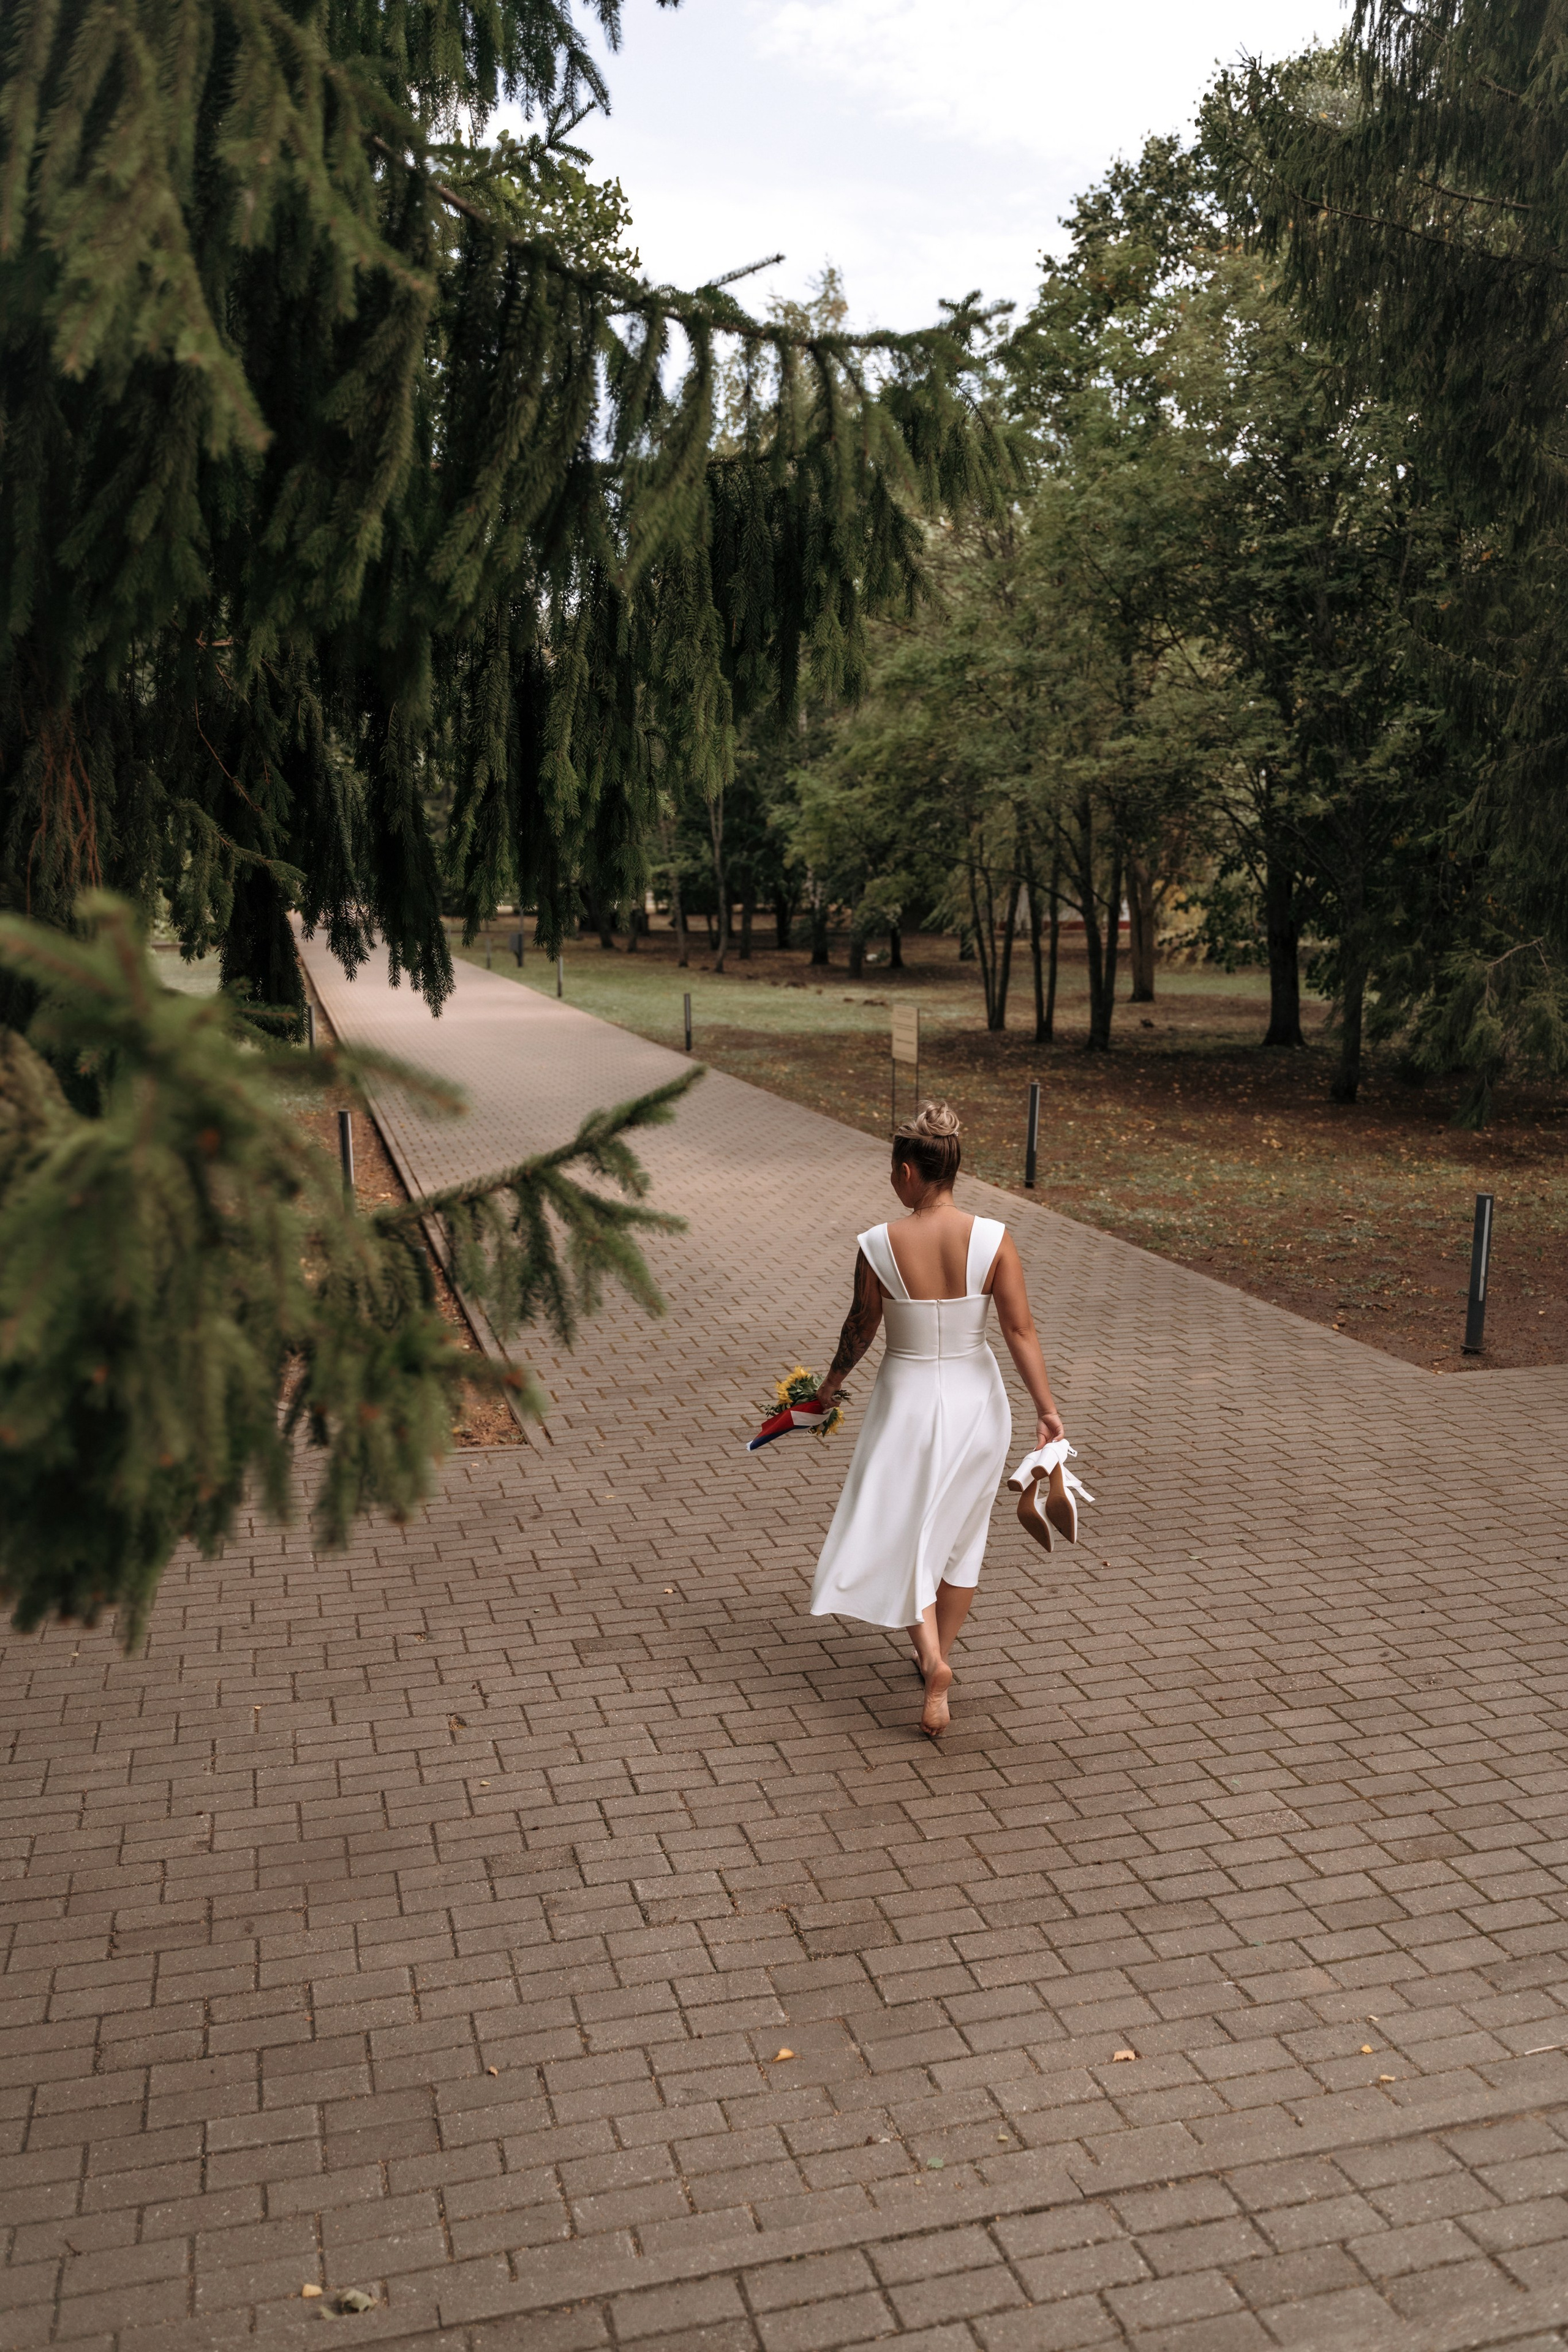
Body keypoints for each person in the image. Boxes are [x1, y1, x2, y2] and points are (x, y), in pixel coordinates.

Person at [808, 1102, 1065, 1738]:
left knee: (903, 1532)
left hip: (908, 1401)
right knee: (958, 1537)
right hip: (980, 1404)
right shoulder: (994, 1237)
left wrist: (829, 1389)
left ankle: (930, 1658)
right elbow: (1019, 1328)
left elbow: (860, 1329)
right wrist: (1048, 1410)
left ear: (906, 1173)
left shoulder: (878, 1244)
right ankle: (936, 1670)